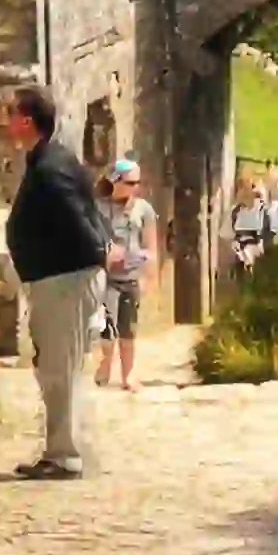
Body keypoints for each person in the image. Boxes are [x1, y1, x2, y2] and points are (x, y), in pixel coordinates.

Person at [0, 84, 102, 475]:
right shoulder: (50, 160)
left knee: (62, 368)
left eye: (10, 114)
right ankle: (59, 450)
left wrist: (99, 250)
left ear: (26, 120)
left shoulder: (51, 167)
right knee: (54, 368)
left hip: (65, 281)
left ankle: (66, 455)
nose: (5, 122)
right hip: (55, 281)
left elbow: (76, 213)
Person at [93, 156, 153, 391]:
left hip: (131, 277)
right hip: (105, 276)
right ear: (115, 181)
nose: (134, 187)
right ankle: (105, 364)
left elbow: (150, 247)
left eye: (137, 183)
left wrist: (148, 276)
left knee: (129, 329)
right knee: (107, 327)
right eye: (130, 182)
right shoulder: (99, 208)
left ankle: (128, 375)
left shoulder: (144, 210)